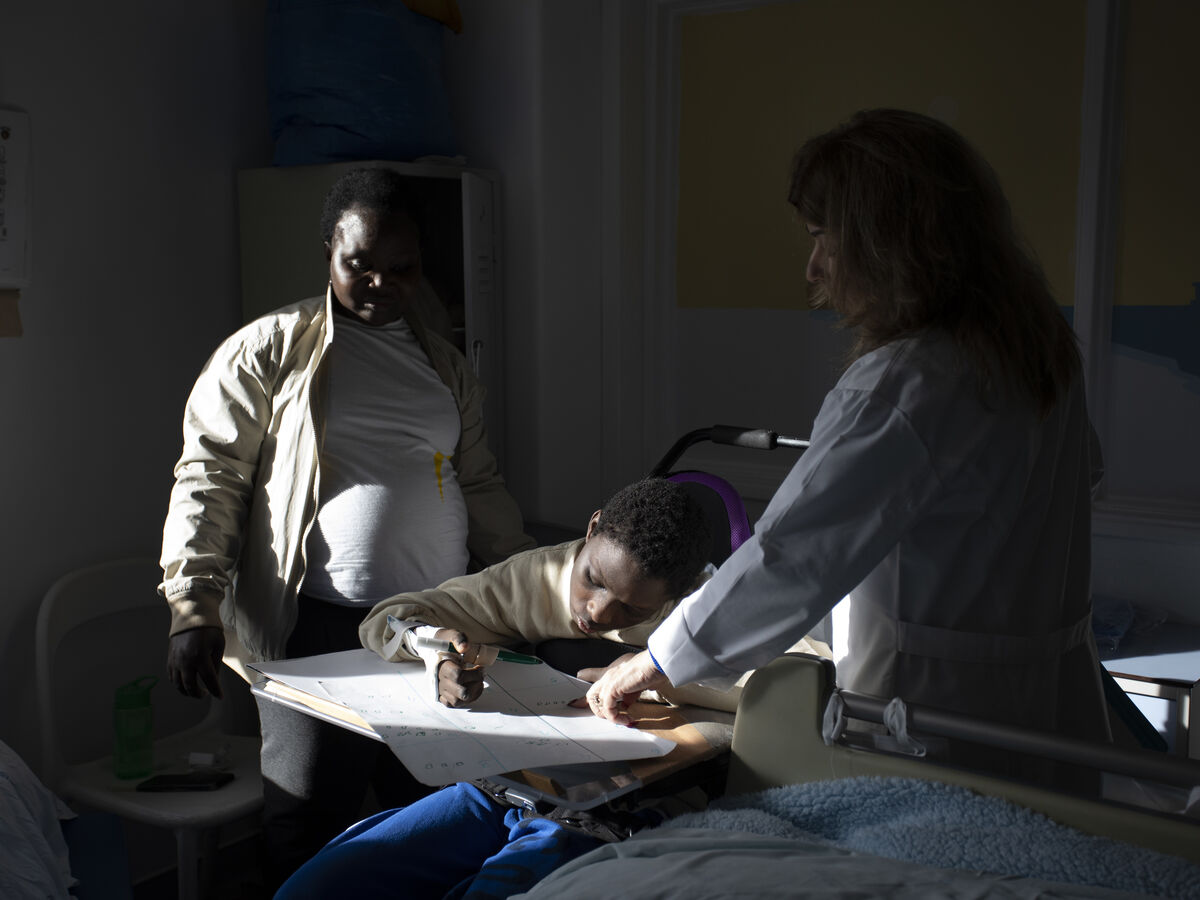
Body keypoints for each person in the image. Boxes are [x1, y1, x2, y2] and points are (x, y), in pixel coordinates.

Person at [587, 109, 1112, 776]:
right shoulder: (1033, 353)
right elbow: (1083, 474)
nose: (811, 269)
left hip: (940, 723)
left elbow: (793, 555)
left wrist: (659, 660)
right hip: (1050, 713)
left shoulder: (905, 383)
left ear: (884, 241)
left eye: (820, 238)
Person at [157, 166, 535, 888]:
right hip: (318, 629)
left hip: (432, 626)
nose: (381, 284)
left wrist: (529, 598)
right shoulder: (269, 349)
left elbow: (479, 484)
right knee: (305, 821)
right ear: (329, 248)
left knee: (429, 811)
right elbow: (211, 477)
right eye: (360, 264)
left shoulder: (444, 363)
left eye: (402, 268)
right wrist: (193, 605)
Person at [274, 477, 728, 899]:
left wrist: (652, 669)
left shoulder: (711, 612)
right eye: (593, 579)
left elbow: (783, 683)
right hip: (499, 791)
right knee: (312, 888)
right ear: (591, 530)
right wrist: (436, 650)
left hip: (613, 814)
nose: (598, 612)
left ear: (675, 595)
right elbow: (391, 616)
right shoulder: (538, 576)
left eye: (632, 609)